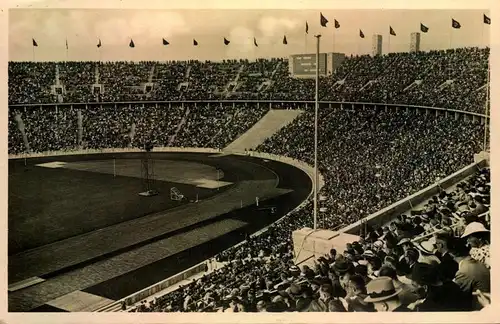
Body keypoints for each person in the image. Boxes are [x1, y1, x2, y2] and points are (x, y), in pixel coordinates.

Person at [447, 236, 490, 310]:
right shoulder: (479, 263)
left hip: (477, 309)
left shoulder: (463, 271)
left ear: (451, 254)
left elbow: (453, 295)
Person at [408, 262, 472, 311]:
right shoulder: (453, 286)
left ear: (425, 287)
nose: (412, 290)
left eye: (414, 285)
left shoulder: (426, 308)